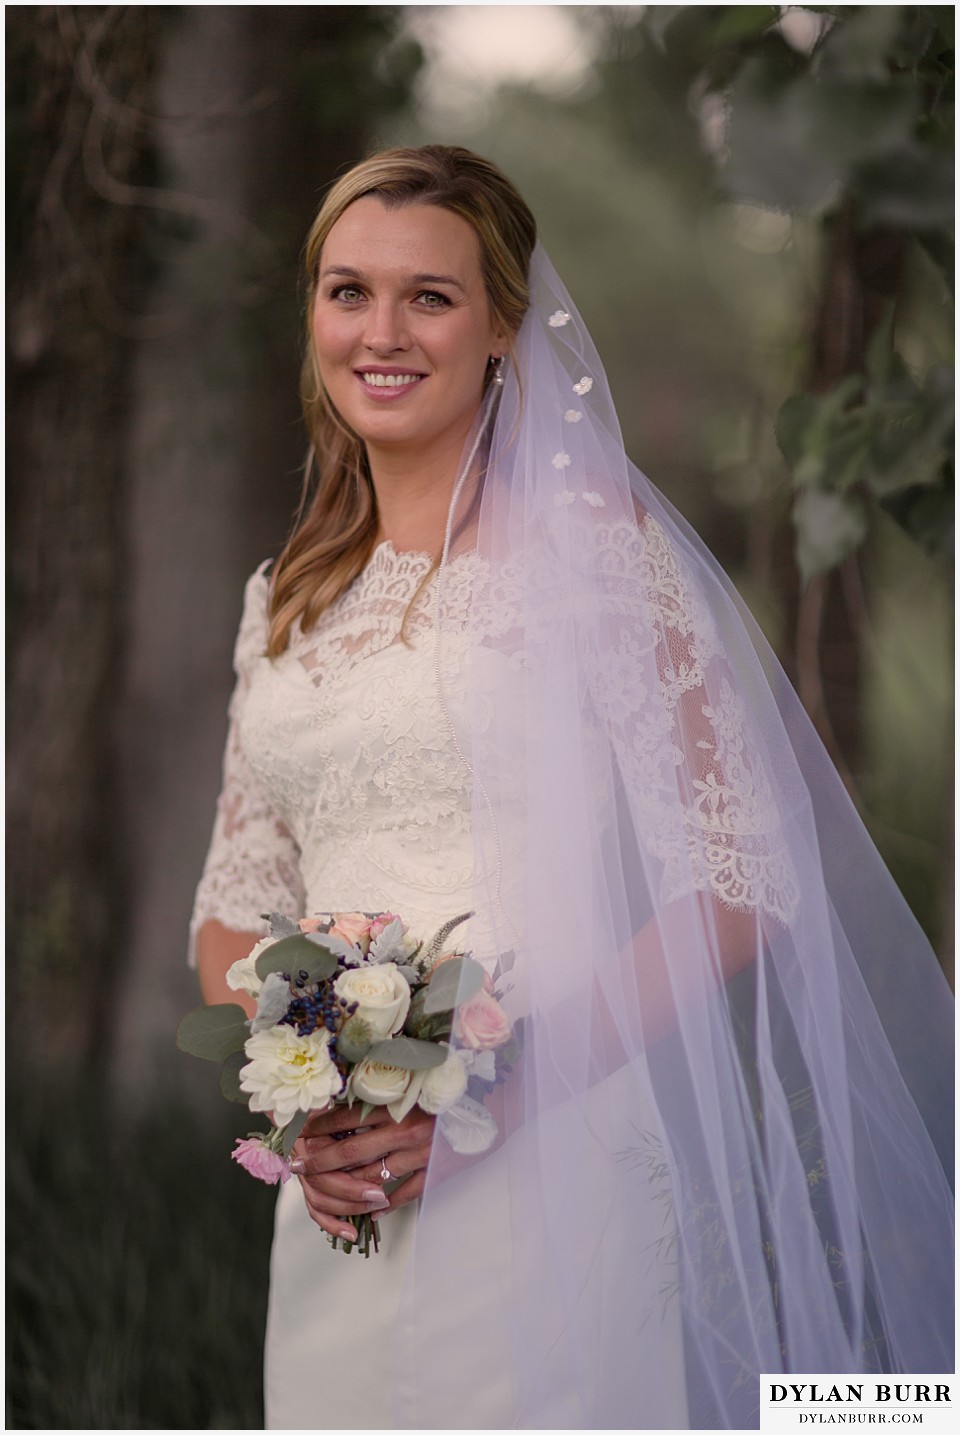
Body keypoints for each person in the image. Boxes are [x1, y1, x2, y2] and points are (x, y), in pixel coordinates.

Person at [191, 145, 953, 1430]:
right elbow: (230, 910)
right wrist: (316, 1087)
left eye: (428, 297)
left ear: (501, 324)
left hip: (551, 1146)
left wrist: (495, 1080)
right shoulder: (287, 597)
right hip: (338, 1190)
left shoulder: (594, 548)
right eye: (347, 290)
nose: (381, 332)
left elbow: (738, 876)